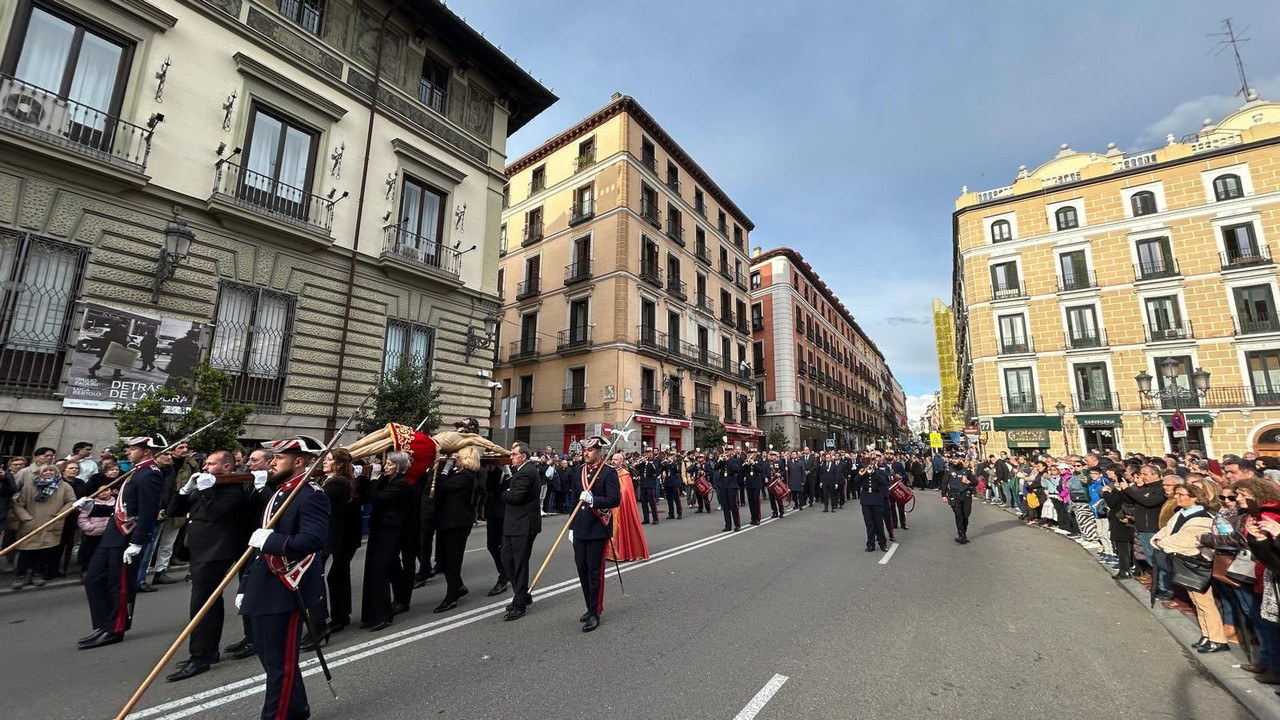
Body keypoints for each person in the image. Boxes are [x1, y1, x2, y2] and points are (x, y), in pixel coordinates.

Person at [237, 436, 330, 720]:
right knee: (271, 659)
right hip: (264, 583)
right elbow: (258, 549)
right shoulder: (281, 492)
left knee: (281, 664)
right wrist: (246, 584)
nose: (272, 462)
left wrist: (273, 541)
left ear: (299, 461)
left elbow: (313, 540)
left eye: (278, 458)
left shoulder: (311, 494)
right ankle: (297, 708)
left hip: (289, 587)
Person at [165, 450, 255, 682]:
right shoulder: (203, 483)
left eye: (211, 464)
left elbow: (218, 514)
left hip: (216, 551)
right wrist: (185, 490)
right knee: (205, 602)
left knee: (202, 603)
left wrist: (205, 490)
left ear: (226, 467)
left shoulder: (233, 487)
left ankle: (201, 656)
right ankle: (207, 651)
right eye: (205, 464)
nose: (204, 468)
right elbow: (173, 511)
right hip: (198, 549)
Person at [79, 435, 164, 649]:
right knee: (93, 578)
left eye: (133, 448)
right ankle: (104, 623)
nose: (128, 452)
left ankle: (115, 628)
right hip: (113, 533)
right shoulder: (137, 471)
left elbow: (147, 511)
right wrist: (92, 508)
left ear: (146, 451)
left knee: (121, 584)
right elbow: (124, 506)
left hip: (127, 537)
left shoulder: (150, 475)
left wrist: (138, 542)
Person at [1152, 482, 1228, 653]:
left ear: (1194, 497)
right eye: (1176, 494)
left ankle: (1217, 638)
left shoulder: (1202, 517)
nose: (1176, 497)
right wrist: (1159, 539)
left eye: (1181, 494)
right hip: (1184, 562)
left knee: (1205, 602)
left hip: (1197, 563)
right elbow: (1167, 530)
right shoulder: (1181, 513)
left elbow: (1186, 540)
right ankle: (1207, 635)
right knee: (1196, 601)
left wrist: (1161, 543)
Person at [570, 437, 621, 632]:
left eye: (590, 450)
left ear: (598, 451)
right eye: (585, 450)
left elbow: (614, 499)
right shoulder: (578, 472)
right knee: (582, 571)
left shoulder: (608, 472)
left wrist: (594, 500)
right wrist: (571, 528)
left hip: (598, 529)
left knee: (594, 573)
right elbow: (573, 501)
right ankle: (588, 607)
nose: (586, 453)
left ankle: (595, 611)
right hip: (580, 528)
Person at [361, 452, 409, 631]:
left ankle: (382, 615)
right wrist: (368, 478)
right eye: (386, 463)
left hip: (391, 527)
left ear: (399, 466)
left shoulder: (401, 482)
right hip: (379, 526)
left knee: (381, 569)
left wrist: (373, 480)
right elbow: (369, 495)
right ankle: (370, 614)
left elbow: (379, 498)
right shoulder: (386, 480)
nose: (385, 466)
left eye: (389, 463)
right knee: (373, 567)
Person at [429, 446, 478, 614]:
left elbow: (443, 487)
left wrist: (444, 471)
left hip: (457, 523)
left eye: (458, 457)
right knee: (443, 559)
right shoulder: (458, 473)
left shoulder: (466, 476)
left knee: (453, 560)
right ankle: (458, 586)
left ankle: (451, 597)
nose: (454, 459)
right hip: (447, 522)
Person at [313, 449, 356, 640]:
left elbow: (319, 499)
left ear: (338, 464)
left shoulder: (339, 483)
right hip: (335, 535)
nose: (324, 462)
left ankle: (334, 618)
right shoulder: (329, 480)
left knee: (333, 576)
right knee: (337, 575)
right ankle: (340, 616)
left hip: (337, 536)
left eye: (329, 459)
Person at [11, 464, 76, 588]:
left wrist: (59, 516)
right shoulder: (29, 487)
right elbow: (18, 504)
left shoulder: (65, 486)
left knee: (44, 551)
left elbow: (71, 501)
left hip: (51, 523)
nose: (48, 472)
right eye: (45, 471)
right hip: (31, 523)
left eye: (51, 470)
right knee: (25, 552)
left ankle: (37, 574)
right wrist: (26, 518)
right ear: (39, 473)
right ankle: (20, 576)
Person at [500, 442, 541, 621]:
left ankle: (519, 603)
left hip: (522, 525)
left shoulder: (526, 471)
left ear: (523, 456)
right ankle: (522, 594)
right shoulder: (523, 470)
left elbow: (516, 496)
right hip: (515, 524)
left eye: (514, 454)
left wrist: (504, 492)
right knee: (507, 559)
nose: (511, 458)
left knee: (518, 563)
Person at [606, 451, 649, 561]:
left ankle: (622, 552)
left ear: (621, 461)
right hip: (609, 506)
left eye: (616, 460)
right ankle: (609, 552)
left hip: (620, 506)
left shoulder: (625, 475)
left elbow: (625, 492)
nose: (613, 461)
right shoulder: (609, 473)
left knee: (621, 528)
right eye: (613, 459)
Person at [483, 461, 511, 598]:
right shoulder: (495, 472)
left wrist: (508, 473)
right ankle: (506, 572)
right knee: (492, 546)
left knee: (505, 548)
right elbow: (488, 488)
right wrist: (493, 470)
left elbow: (516, 489)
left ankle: (504, 577)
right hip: (494, 513)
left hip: (508, 515)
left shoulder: (517, 471)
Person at [942, 457, 975, 545]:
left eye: (956, 459)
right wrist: (944, 495)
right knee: (958, 515)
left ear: (960, 460)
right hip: (954, 496)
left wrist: (968, 482)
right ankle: (961, 534)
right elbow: (944, 483)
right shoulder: (949, 470)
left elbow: (975, 482)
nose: (954, 461)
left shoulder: (966, 470)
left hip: (966, 496)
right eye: (953, 459)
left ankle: (964, 533)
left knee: (966, 515)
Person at [859, 459, 889, 552]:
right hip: (866, 499)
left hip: (877, 499)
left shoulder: (880, 471)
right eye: (868, 462)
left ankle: (882, 543)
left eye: (872, 461)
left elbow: (884, 482)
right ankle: (870, 544)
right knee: (869, 524)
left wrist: (873, 473)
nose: (870, 463)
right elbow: (856, 481)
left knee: (879, 523)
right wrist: (863, 474)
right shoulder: (862, 471)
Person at [715, 449, 742, 532]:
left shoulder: (735, 460)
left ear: (732, 453)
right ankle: (728, 525)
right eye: (725, 452)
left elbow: (735, 469)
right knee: (725, 505)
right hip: (723, 483)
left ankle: (737, 525)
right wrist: (719, 460)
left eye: (728, 452)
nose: (726, 454)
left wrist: (728, 460)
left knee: (733, 505)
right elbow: (715, 468)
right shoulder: (722, 461)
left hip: (731, 484)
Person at [635, 450, 661, 525]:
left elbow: (654, 468)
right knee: (643, 502)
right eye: (646, 453)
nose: (648, 455)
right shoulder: (643, 462)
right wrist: (639, 462)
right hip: (643, 483)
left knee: (652, 501)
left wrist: (647, 462)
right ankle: (646, 518)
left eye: (649, 453)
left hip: (650, 483)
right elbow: (636, 467)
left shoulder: (655, 461)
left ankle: (655, 518)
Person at [662, 450, 684, 520]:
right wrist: (663, 463)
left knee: (676, 499)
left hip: (675, 482)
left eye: (672, 455)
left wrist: (671, 462)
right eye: (670, 455)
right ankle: (671, 513)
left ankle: (679, 512)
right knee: (669, 499)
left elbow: (677, 470)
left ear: (675, 456)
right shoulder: (667, 463)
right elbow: (661, 469)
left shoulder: (677, 462)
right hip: (667, 482)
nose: (670, 456)